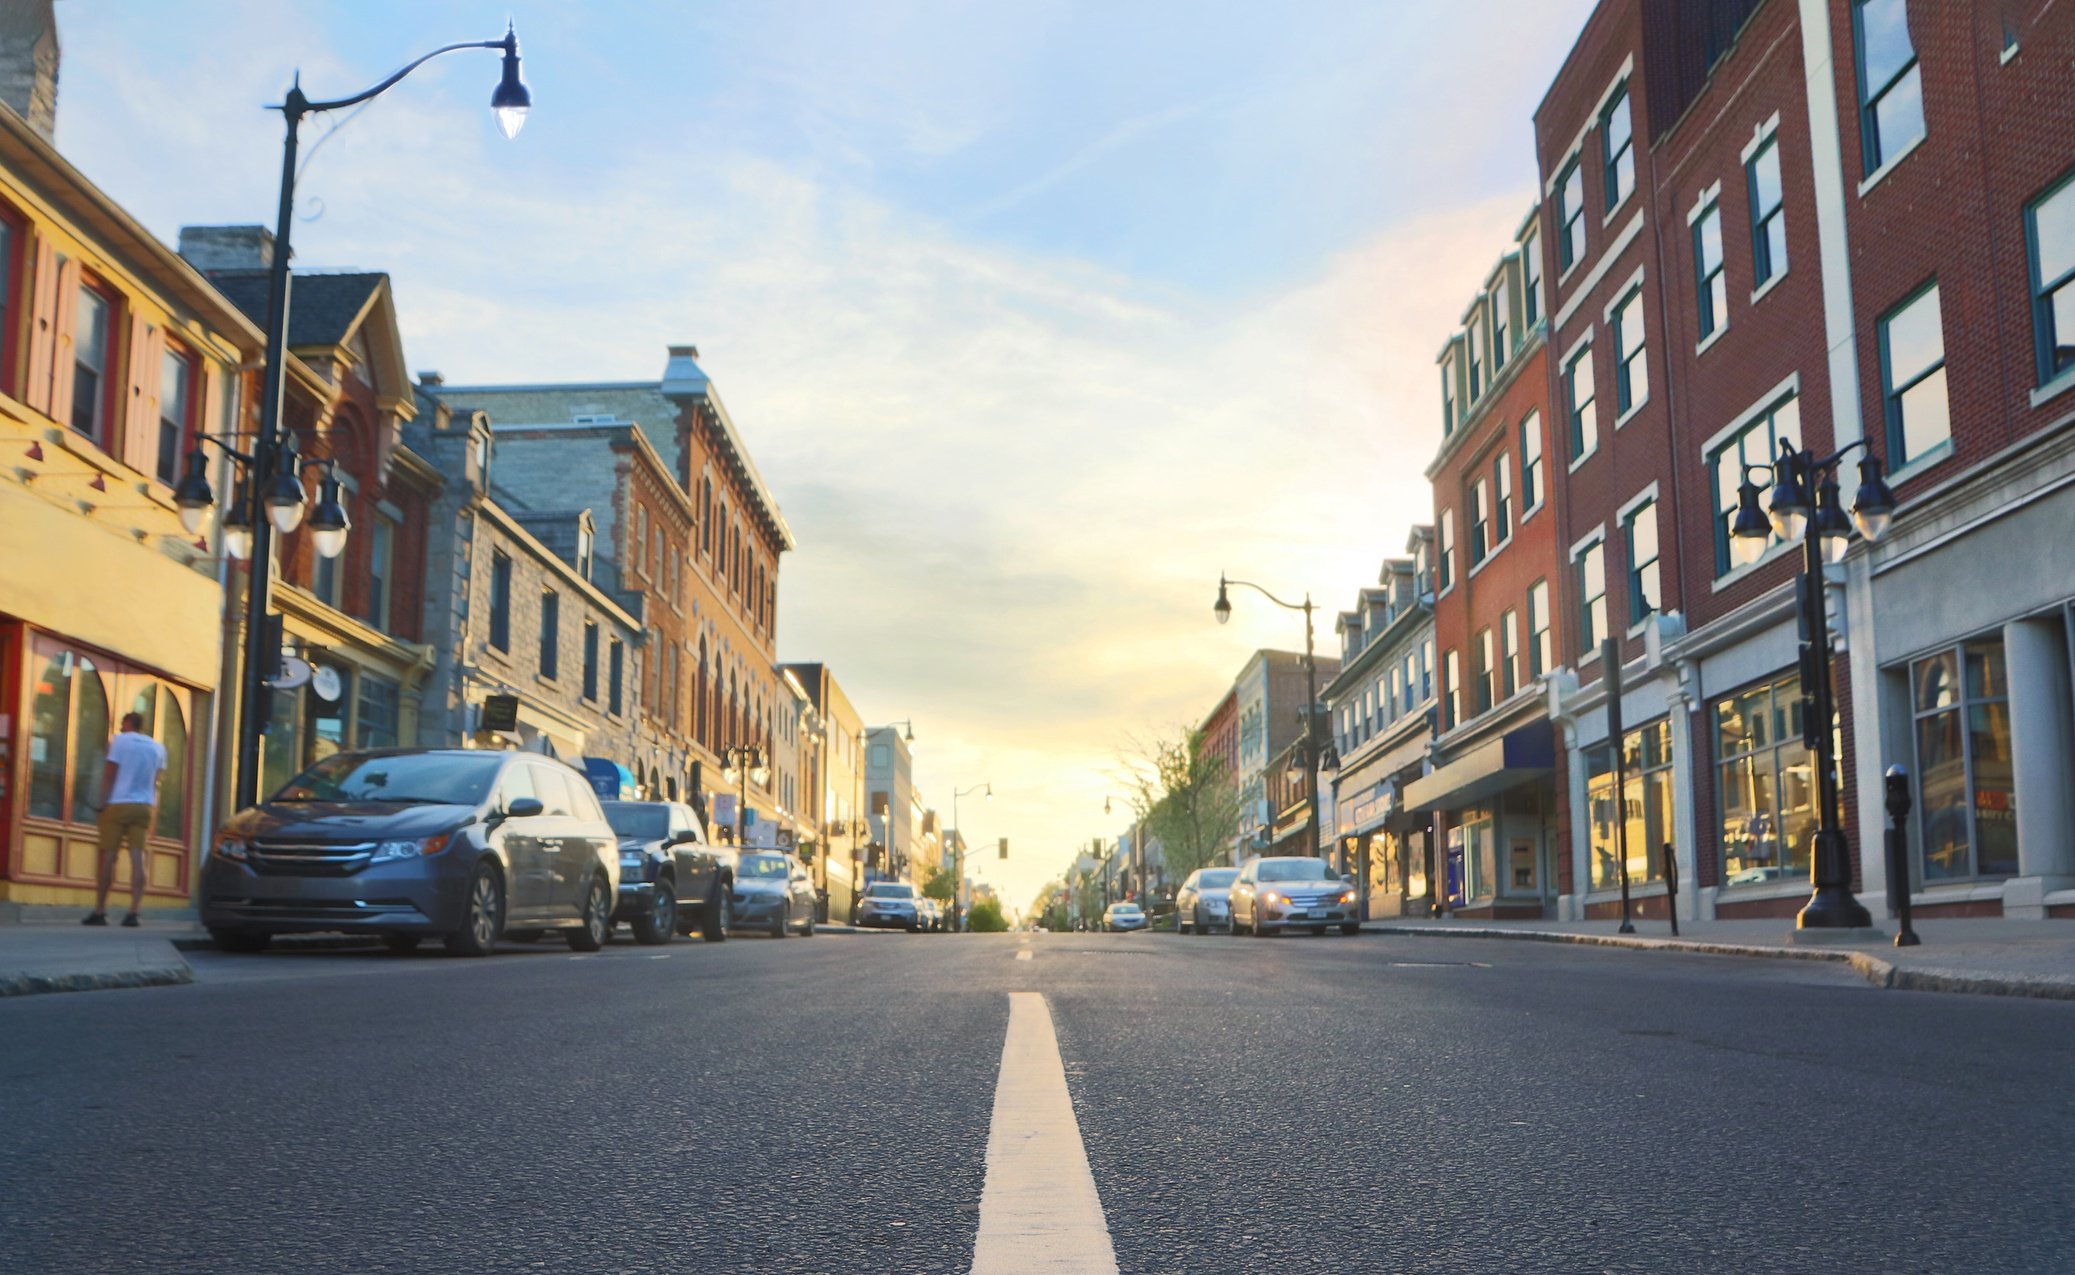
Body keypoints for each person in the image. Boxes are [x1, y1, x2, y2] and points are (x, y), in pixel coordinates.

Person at [82, 712, 166, 928]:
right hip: (144, 806)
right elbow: (157, 782)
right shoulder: (158, 748)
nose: (120, 728)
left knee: (109, 858)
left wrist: (101, 802)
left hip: (118, 803)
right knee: (138, 858)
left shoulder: (120, 741)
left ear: (128, 724)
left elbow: (110, 774)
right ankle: (134, 912)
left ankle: (100, 910)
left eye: (122, 724)